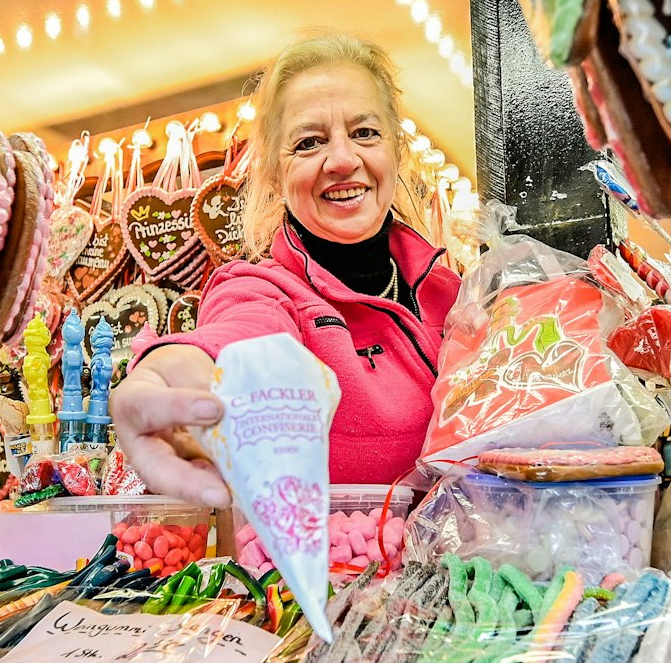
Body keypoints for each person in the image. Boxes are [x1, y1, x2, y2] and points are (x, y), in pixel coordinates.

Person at [113, 32, 462, 505]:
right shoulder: (262, 290)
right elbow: (241, 335)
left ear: (395, 151)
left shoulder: (455, 292)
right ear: (276, 173)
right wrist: (177, 374)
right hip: (339, 577)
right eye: (309, 141)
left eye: (365, 133)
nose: (342, 160)